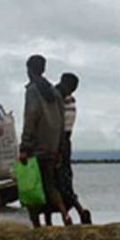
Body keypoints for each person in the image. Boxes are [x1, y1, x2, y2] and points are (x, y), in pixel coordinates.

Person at [19, 54, 71, 227]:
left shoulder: (32, 90)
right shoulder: (55, 92)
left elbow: (30, 117)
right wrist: (60, 148)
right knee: (50, 184)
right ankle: (64, 214)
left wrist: (24, 146)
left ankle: (37, 225)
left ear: (29, 70)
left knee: (30, 185)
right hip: (52, 147)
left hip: (35, 147)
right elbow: (62, 121)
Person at [50, 73, 92, 225]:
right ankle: (80, 211)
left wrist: (58, 149)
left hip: (58, 144)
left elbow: (58, 127)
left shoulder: (60, 100)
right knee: (65, 182)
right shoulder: (70, 101)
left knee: (54, 181)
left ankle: (64, 215)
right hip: (65, 144)